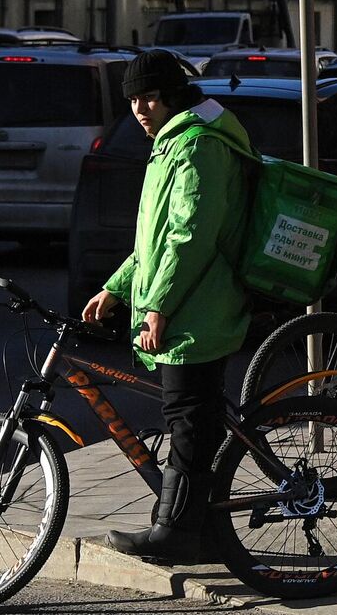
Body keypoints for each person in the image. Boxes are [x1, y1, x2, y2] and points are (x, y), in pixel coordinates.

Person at [83, 50, 252, 565]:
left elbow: (190, 237)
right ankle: (202, 529)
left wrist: (155, 305)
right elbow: (155, 241)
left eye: (149, 96)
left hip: (200, 305)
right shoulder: (173, 143)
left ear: (174, 94)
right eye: (132, 99)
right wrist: (118, 286)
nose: (140, 107)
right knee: (195, 421)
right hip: (192, 300)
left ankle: (177, 533)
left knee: (188, 421)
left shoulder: (198, 146)